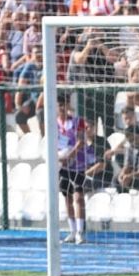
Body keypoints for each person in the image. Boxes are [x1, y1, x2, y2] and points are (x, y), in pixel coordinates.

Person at [55, 94, 94, 245]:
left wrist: (69, 156)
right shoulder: (54, 123)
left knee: (78, 197)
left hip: (77, 164)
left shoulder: (78, 121)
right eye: (60, 105)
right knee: (67, 198)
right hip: (62, 165)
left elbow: (80, 141)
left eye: (64, 105)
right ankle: (71, 231)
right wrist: (59, 157)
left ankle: (80, 232)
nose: (62, 108)